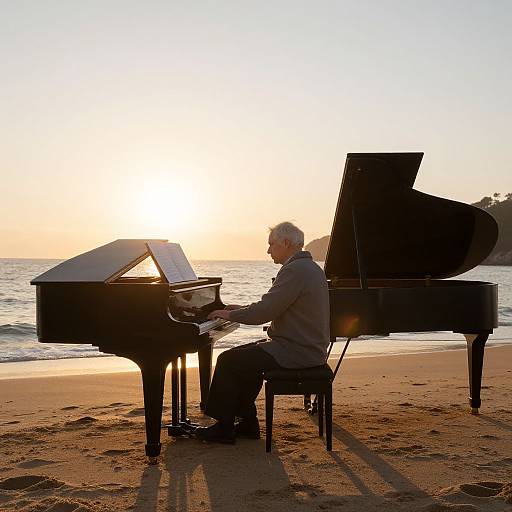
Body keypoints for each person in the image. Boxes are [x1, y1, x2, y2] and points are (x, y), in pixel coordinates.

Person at [195, 221, 330, 444]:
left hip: (297, 351)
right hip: (303, 346)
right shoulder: (308, 267)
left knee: (229, 360)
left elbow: (264, 313)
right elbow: (273, 305)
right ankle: (247, 424)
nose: (268, 250)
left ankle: (224, 427)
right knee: (244, 358)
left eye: (271, 245)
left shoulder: (295, 270)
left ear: (286, 243)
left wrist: (228, 315)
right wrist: (239, 309)